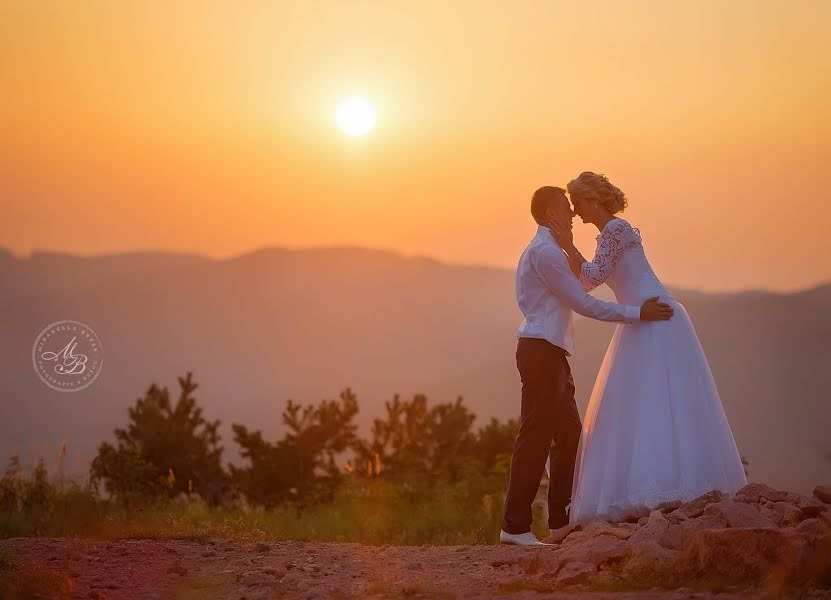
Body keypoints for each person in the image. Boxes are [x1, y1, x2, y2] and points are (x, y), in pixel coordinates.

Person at [549, 172, 747, 530]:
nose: (575, 212)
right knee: (644, 400)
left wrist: (568, 247)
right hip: (640, 317)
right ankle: (651, 482)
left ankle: (669, 484)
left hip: (655, 316)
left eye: (577, 203)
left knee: (662, 399)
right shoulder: (608, 234)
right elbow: (589, 281)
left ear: (592, 200)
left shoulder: (616, 231)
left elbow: (592, 276)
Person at [499, 185, 674, 546]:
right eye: (566, 207)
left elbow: (581, 285)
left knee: (569, 436)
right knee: (535, 436)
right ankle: (514, 527)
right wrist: (635, 314)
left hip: (550, 352)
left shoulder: (547, 250)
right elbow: (583, 302)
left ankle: (560, 521)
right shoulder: (546, 252)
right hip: (541, 353)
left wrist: (578, 257)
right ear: (551, 214)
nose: (572, 213)